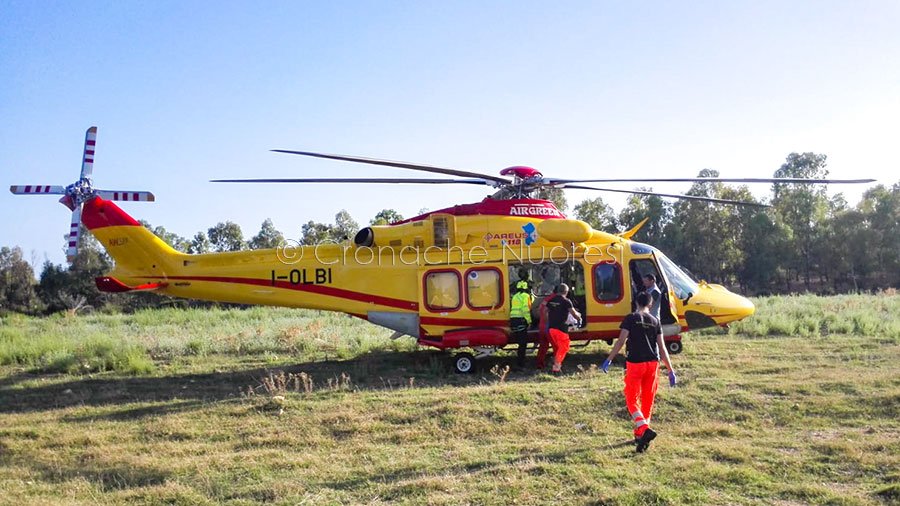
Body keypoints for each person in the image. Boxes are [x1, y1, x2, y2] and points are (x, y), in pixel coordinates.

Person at [601, 292, 677, 453]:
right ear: (650, 304)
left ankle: (643, 427)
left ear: (636, 302)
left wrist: (609, 359)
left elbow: (621, 341)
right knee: (648, 399)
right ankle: (640, 435)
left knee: (631, 399)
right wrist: (670, 370)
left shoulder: (630, 318)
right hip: (652, 363)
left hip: (635, 363)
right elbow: (662, 348)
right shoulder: (655, 321)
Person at [540, 283, 581, 374]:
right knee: (564, 347)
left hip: (551, 329)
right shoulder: (566, 301)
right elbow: (573, 313)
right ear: (566, 292)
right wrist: (579, 319)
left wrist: (548, 320)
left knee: (558, 348)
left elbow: (544, 311)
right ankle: (556, 368)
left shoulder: (551, 300)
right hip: (561, 329)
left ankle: (556, 365)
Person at [509, 280, 534, 368]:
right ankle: (521, 363)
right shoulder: (526, 296)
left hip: (513, 320)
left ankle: (520, 360)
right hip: (520, 320)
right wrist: (529, 321)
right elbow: (525, 310)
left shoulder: (515, 296)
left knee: (519, 342)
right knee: (523, 343)